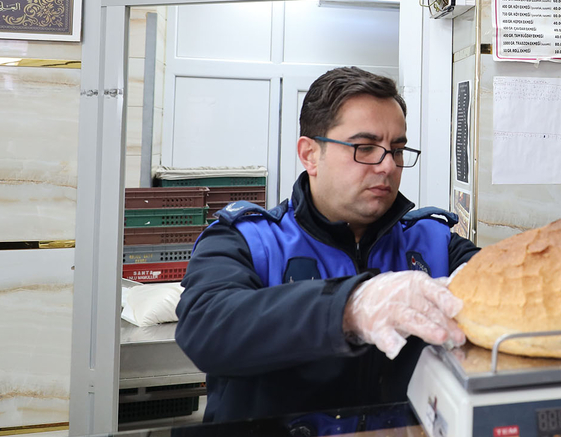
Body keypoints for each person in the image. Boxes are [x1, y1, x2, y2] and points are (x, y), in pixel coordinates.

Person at [175, 67, 479, 423]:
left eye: (396, 150)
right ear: (309, 154)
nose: (387, 166)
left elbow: (496, 286)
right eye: (365, 148)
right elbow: (205, 326)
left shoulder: (432, 242)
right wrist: (349, 308)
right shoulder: (248, 239)